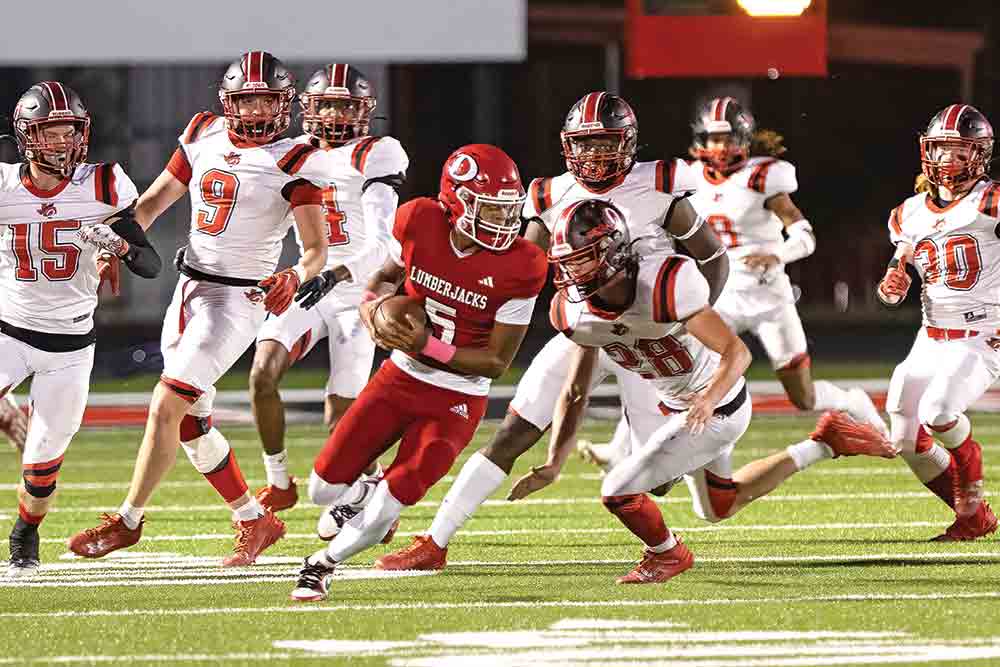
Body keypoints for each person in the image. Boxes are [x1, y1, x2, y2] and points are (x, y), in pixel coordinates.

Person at [375, 91, 728, 571]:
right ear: (568, 146)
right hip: (585, 325)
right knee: (513, 432)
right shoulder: (549, 194)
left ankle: (660, 463)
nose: (595, 155)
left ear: (628, 143)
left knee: (658, 481)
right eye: (585, 144)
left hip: (649, 336)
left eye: (606, 143)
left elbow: (712, 258)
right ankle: (435, 542)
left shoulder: (661, 184)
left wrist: (688, 315)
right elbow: (521, 264)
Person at [513, 199, 893, 584]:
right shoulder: (574, 312)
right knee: (717, 505)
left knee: (617, 492)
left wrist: (707, 400)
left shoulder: (665, 284)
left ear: (612, 249)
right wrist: (553, 463)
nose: (571, 271)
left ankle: (667, 555)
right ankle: (828, 441)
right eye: (565, 262)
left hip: (717, 406)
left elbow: (737, 352)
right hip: (681, 406)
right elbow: (576, 391)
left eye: (581, 258)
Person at [67, 51, 330, 566]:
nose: (256, 110)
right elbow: (151, 204)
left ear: (286, 103)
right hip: (187, 290)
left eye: (267, 98)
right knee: (190, 422)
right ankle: (254, 520)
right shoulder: (203, 132)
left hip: (239, 299)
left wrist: (295, 274)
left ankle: (128, 520)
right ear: (227, 103)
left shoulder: (296, 157)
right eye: (247, 98)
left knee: (167, 404)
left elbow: (316, 247)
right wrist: (114, 242)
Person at [289, 144, 548, 601]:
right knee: (321, 490)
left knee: (395, 500)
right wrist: (372, 313)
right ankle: (365, 487)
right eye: (489, 208)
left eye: (509, 211)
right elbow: (385, 279)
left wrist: (427, 344)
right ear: (456, 201)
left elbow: (496, 362)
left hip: (457, 397)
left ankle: (320, 566)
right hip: (399, 378)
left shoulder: (522, 265)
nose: (504, 221)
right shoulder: (419, 221)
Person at [1, 82, 161, 577]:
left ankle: (25, 532)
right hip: (8, 331)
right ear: (27, 137)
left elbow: (151, 265)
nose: (62, 143)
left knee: (43, 460)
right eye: (49, 133)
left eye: (69, 132)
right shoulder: (4, 187)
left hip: (71, 347)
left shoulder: (105, 184)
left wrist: (121, 246)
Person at [249, 63, 408, 526]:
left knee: (341, 423)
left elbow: (384, 244)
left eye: (345, 105)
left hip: (357, 291)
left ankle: (373, 492)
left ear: (362, 112)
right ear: (309, 109)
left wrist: (338, 272)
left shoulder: (377, 152)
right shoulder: (293, 153)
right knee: (262, 375)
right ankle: (279, 482)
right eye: (328, 104)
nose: (336, 114)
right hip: (311, 283)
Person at [685, 96, 884, 430]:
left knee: (803, 398)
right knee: (682, 373)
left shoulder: (763, 177)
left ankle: (852, 402)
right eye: (714, 138)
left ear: (742, 139)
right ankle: (627, 449)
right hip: (722, 296)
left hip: (769, 297)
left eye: (727, 138)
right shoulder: (690, 178)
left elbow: (806, 237)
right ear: (702, 139)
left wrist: (776, 254)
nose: (720, 146)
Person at [876, 103, 999, 541]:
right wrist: (893, 280)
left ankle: (971, 481)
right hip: (930, 335)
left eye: (959, 150)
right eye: (941, 149)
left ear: (979, 154)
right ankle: (976, 515)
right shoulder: (908, 212)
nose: (948, 160)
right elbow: (898, 269)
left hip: (982, 334)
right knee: (904, 433)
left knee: (939, 412)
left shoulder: (991, 200)